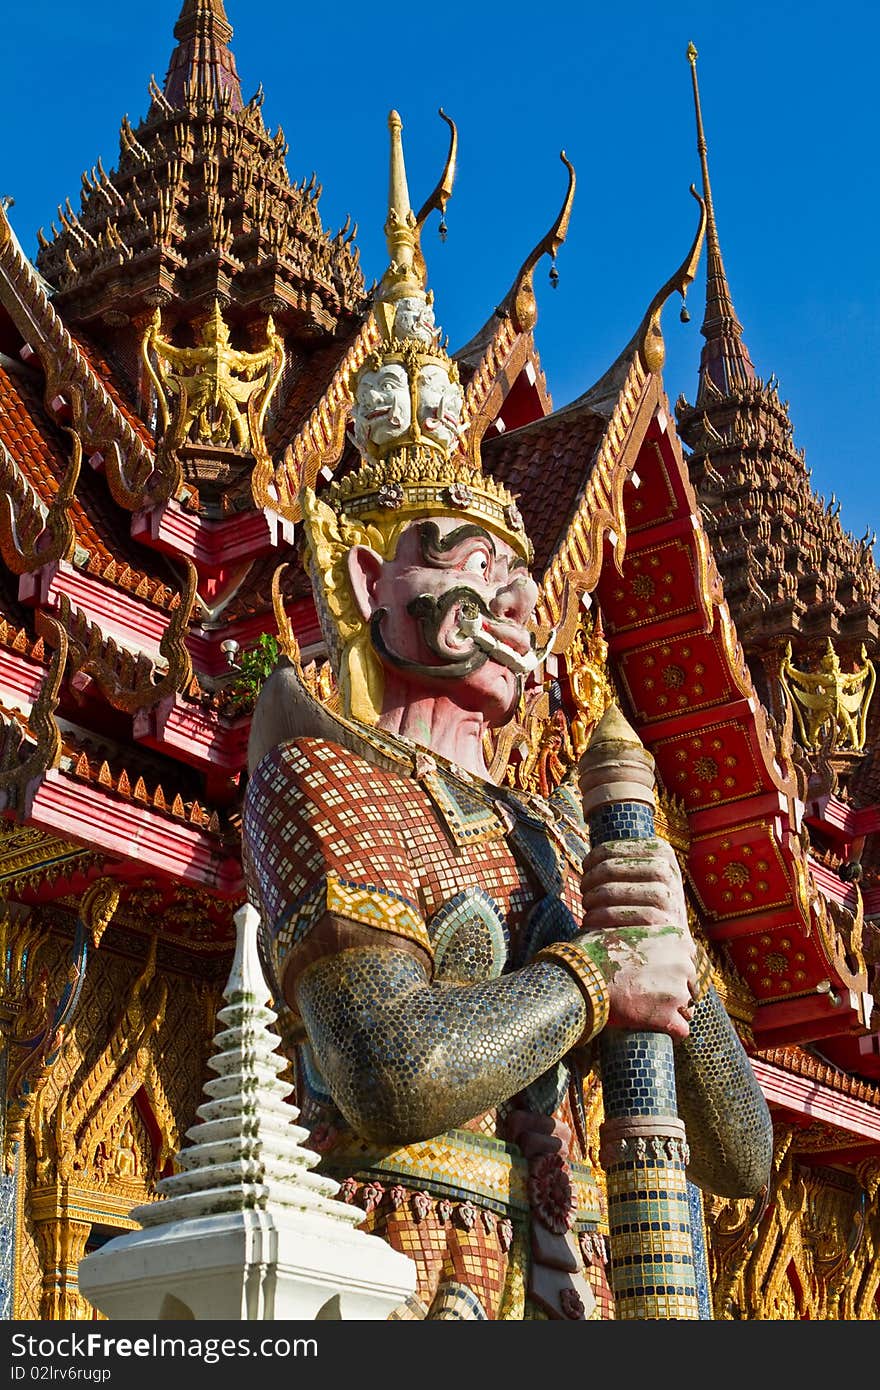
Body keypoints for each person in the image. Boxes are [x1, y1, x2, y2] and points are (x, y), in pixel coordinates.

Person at [242, 112, 771, 1320]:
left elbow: (738, 1159)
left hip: (560, 1284)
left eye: (514, 565)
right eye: (462, 556)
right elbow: (390, 1070)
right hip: (376, 1269)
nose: (513, 592)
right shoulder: (322, 776)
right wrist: (596, 972)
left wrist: (678, 965)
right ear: (368, 584)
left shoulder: (560, 836)